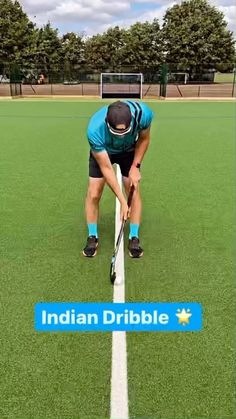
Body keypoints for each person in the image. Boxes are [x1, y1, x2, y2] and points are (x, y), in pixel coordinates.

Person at [83, 100, 154, 258]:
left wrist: (136, 166)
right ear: (108, 123)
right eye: (117, 132)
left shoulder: (143, 114)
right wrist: (122, 201)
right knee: (94, 192)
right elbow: (107, 169)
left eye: (125, 131)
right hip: (104, 150)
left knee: (133, 189)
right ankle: (92, 235)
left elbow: (144, 139)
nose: (121, 135)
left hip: (129, 150)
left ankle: (133, 236)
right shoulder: (95, 130)